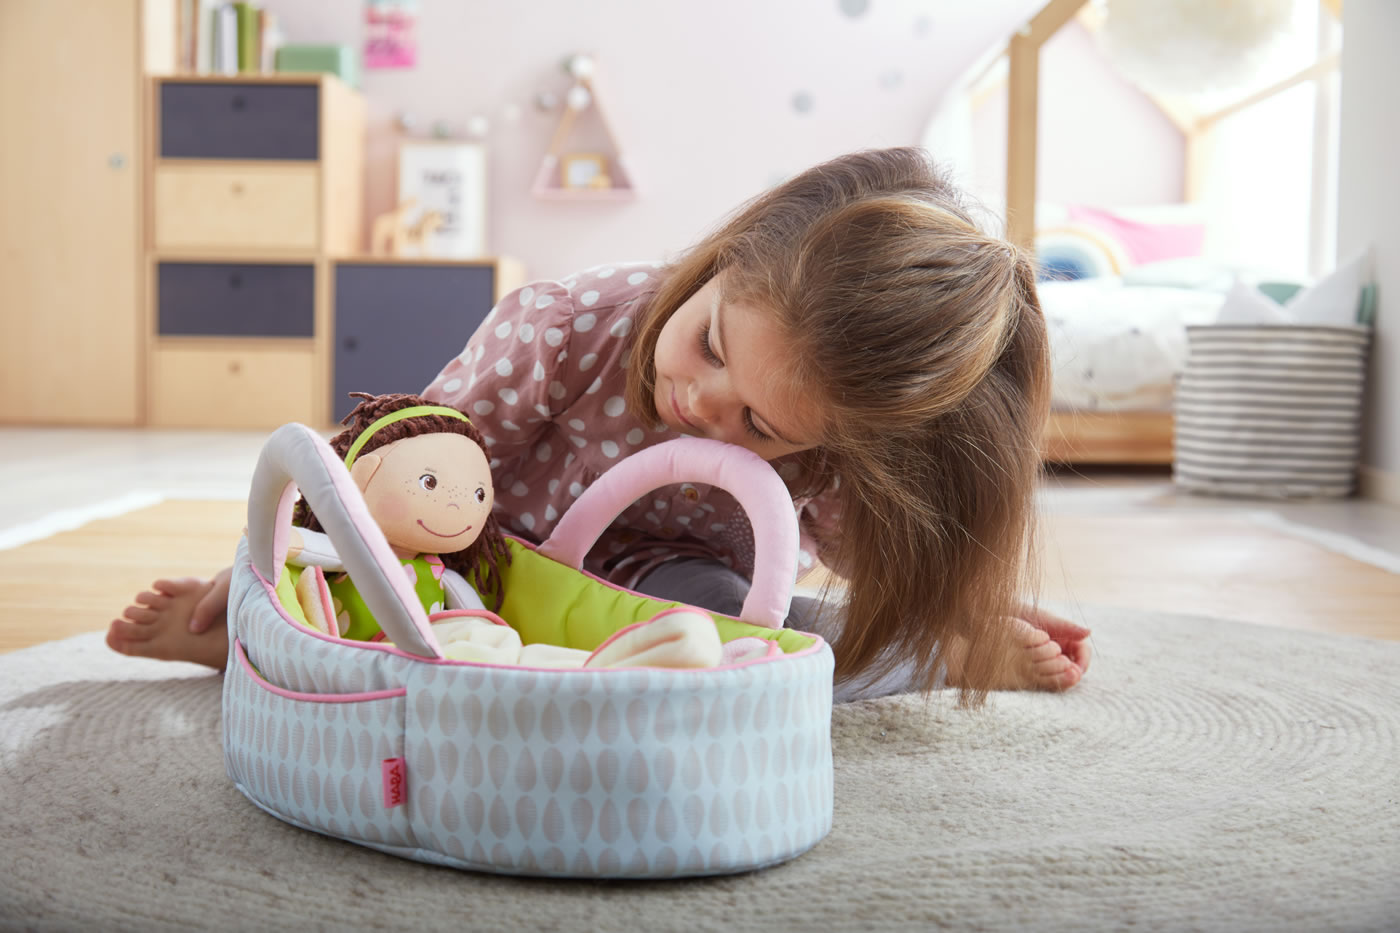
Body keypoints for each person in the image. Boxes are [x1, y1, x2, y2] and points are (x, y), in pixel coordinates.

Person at [109, 147, 1091, 703]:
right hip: (480, 560)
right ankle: (255, 637)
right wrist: (289, 549)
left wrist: (961, 610)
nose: (702, 403)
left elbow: (869, 555)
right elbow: (415, 457)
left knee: (769, 656)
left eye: (758, 422)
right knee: (391, 594)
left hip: (666, 601)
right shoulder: (562, 327)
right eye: (708, 345)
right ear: (724, 260)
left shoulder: (831, 440)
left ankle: (943, 662)